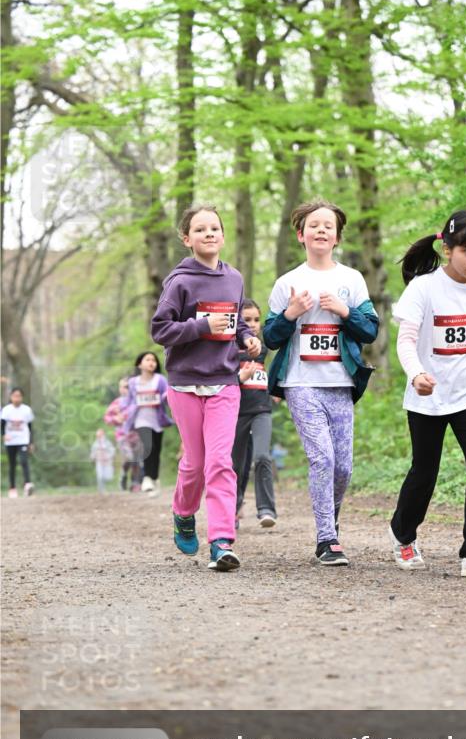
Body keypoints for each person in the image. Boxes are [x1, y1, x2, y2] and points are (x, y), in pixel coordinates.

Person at [388, 209, 466, 578]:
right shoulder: (423, 288)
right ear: (448, 249)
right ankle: (402, 536)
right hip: (426, 396)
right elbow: (405, 341)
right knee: (425, 472)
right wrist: (417, 372)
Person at [264, 197, 378, 567]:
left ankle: (331, 516)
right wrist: (291, 313)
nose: (321, 230)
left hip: (341, 382)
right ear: (301, 234)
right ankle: (326, 538)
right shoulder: (288, 282)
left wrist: (345, 312)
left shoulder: (351, 280)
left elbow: (371, 330)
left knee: (343, 466)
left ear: (337, 237)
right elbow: (270, 336)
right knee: (322, 458)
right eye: (314, 225)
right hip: (301, 381)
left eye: (328, 225)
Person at [151, 205, 261, 571]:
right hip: (184, 383)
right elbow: (160, 330)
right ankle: (183, 513)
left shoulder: (234, 279)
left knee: (219, 462)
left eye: (215, 228)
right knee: (195, 464)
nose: (209, 234)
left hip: (224, 382)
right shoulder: (179, 282)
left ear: (224, 235)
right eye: (200, 230)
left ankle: (221, 541)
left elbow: (236, 324)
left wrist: (247, 339)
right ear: (187, 239)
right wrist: (200, 327)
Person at [231, 298, 278, 529]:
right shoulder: (228, 347)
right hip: (235, 412)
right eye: (247, 320)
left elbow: (269, 368)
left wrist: (275, 388)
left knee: (262, 457)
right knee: (236, 464)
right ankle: (233, 509)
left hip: (261, 410)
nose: (253, 324)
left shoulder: (263, 346)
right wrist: (240, 378)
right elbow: (220, 378)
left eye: (256, 319)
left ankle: (266, 509)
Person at [123, 352, 173, 495]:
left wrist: (165, 397)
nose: (151, 362)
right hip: (140, 420)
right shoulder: (133, 382)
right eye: (148, 360)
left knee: (156, 451)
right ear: (140, 364)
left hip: (157, 420)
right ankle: (146, 478)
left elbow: (167, 397)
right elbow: (129, 402)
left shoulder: (160, 380)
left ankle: (154, 478)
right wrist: (124, 414)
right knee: (148, 446)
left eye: (154, 360)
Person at [104, 378, 142, 491]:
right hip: (122, 436)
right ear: (119, 389)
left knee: (137, 459)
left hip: (137, 435)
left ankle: (135, 483)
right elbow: (107, 418)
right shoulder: (117, 403)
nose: (126, 389)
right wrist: (116, 419)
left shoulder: (136, 401)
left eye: (128, 387)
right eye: (123, 387)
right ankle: (123, 475)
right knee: (129, 457)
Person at [2, 387, 35, 498]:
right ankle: (12, 488)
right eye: (15, 396)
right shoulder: (6, 410)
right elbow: (2, 424)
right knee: (12, 464)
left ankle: (27, 484)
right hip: (11, 440)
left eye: (19, 396)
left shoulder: (26, 410)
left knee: (24, 461)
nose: (17, 398)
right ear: (11, 397)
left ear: (22, 397)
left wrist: (31, 442)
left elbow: (30, 427)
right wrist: (3, 435)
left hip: (23, 439)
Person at [90, 428, 115, 493]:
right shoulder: (95, 443)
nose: (99, 436)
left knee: (107, 476)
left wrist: (109, 456)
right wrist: (93, 457)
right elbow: (93, 451)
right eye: (98, 435)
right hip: (99, 461)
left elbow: (112, 450)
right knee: (100, 475)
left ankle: (106, 487)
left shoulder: (107, 442)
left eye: (100, 435)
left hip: (107, 461)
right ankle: (101, 489)